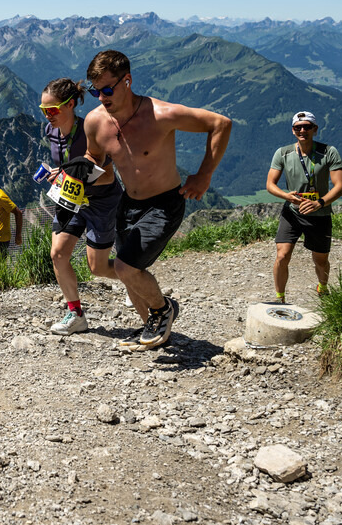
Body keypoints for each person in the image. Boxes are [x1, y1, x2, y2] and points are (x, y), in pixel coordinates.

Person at [84, 50, 232, 350]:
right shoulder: (95, 122)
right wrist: (75, 175)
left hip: (165, 203)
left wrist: (204, 174)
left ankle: (163, 309)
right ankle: (156, 334)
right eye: (94, 91)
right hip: (128, 203)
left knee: (125, 268)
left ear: (127, 81)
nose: (101, 97)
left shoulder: (161, 114)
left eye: (107, 90)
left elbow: (221, 124)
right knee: (130, 274)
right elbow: (94, 158)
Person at [38, 77, 124, 335]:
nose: (48, 116)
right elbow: (67, 165)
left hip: (101, 202)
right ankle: (76, 314)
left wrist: (70, 176)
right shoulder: (51, 132)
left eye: (53, 110)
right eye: (44, 110)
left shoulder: (89, 133)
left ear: (71, 104)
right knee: (58, 254)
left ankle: (135, 277)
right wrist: (60, 175)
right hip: (71, 200)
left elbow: (108, 177)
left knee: (98, 268)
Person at [266, 111, 342, 302]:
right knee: (282, 256)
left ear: (315, 129)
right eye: (298, 127)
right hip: (292, 212)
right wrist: (286, 196)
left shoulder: (328, 152)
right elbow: (270, 184)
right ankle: (280, 298)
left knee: (320, 260)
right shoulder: (283, 153)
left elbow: (341, 185)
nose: (302, 130)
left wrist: (319, 203)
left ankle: (323, 287)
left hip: (320, 213)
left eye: (307, 127)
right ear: (293, 130)